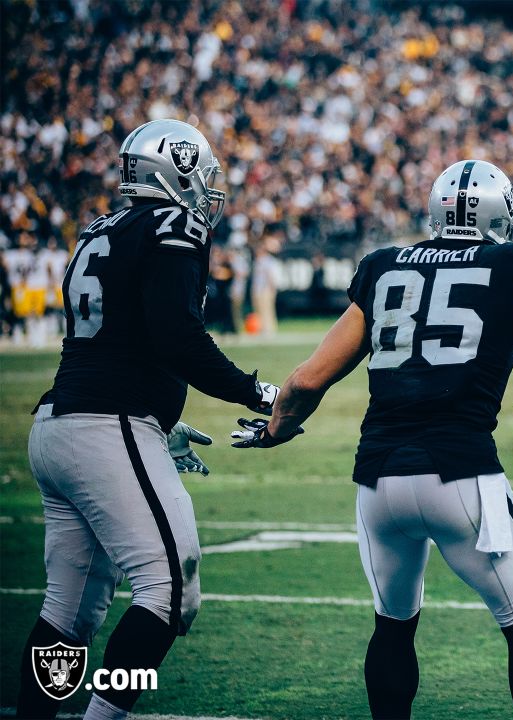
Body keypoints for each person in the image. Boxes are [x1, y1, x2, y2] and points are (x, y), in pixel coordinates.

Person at [232, 159, 513, 719]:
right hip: (462, 475)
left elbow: (307, 379)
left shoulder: (383, 265)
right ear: (502, 214)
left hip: (378, 483)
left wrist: (276, 430)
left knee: (393, 628)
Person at [17, 119, 280, 720]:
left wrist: (158, 422)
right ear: (177, 170)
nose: (208, 190)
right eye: (202, 174)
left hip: (61, 425)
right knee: (168, 591)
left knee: (71, 610)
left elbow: (117, 341)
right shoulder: (175, 222)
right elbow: (175, 337)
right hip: (107, 427)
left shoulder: (99, 228)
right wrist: (257, 392)